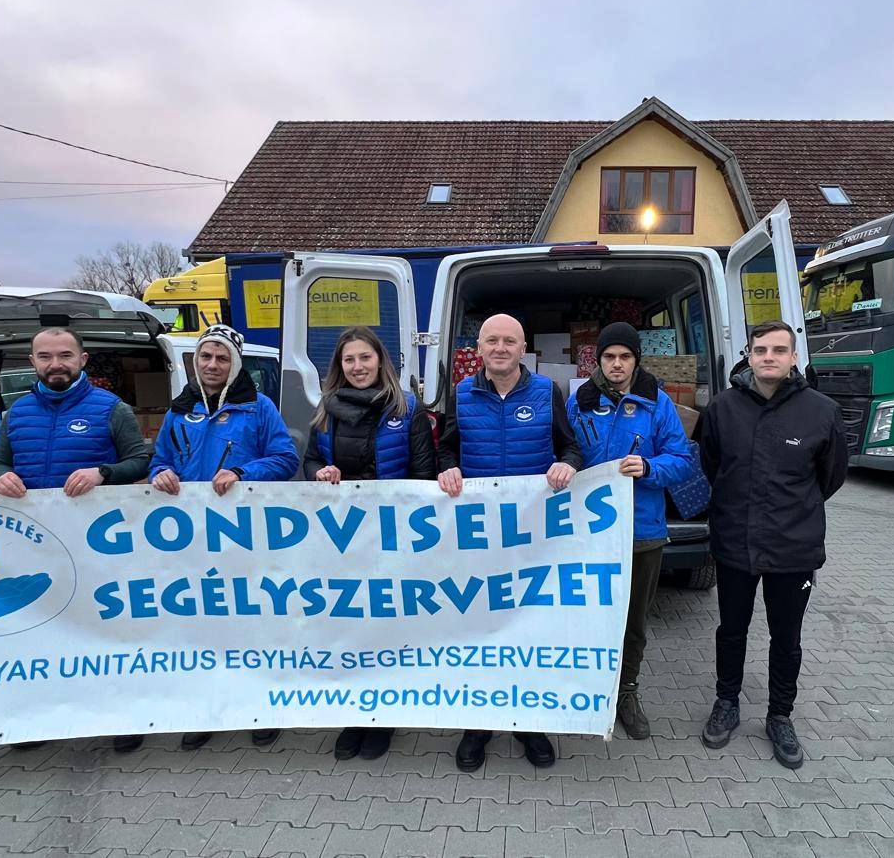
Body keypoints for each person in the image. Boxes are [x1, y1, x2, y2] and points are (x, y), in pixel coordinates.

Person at [0, 326, 154, 753]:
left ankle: (122, 716)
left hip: (96, 547)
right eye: (45, 356)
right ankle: (42, 718)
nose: (55, 364)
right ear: (33, 362)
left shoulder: (111, 409)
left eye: (65, 355)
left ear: (82, 359)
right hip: (34, 547)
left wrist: (103, 473)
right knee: (40, 631)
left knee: (105, 630)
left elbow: (140, 461)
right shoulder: (16, 413)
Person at [436, 313, 583, 771]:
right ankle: (478, 724)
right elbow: (446, 447)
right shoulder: (461, 393)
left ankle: (529, 722)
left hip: (531, 536)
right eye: (492, 341)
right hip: (478, 536)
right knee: (479, 628)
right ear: (479, 348)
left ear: (523, 349)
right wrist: (446, 466)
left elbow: (570, 446)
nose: (500, 348)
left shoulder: (546, 391)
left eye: (509, 341)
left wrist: (568, 464)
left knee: (528, 627)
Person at [697, 321, 847, 767]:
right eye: (760, 349)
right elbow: (711, 464)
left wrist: (793, 508)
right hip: (734, 541)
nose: (769, 357)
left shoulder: (821, 411)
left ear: (793, 357)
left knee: (787, 637)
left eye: (779, 350)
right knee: (731, 629)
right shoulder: (722, 408)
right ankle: (727, 702)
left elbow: (831, 476)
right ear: (748, 354)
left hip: (793, 546)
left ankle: (780, 715)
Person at [150, 324, 299, 750]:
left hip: (244, 536)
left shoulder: (259, 408)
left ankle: (263, 706)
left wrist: (242, 472)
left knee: (254, 623)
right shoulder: (178, 411)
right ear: (194, 361)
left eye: (221, 358)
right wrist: (161, 473)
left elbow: (286, 458)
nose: (212, 365)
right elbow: (161, 459)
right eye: (206, 356)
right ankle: (209, 708)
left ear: (235, 364)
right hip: (194, 539)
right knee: (204, 626)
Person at [303, 326, 437, 761]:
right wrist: (320, 473)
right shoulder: (326, 410)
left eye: (365, 357)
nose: (358, 366)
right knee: (351, 626)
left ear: (380, 361)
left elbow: (423, 473)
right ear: (339, 366)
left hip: (392, 537)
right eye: (349, 360)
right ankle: (355, 712)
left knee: (387, 625)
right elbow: (310, 460)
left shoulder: (407, 408)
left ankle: (384, 714)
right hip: (344, 539)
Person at [565, 322, 692, 740]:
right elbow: (562, 449)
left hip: (642, 531)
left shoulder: (658, 403)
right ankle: (587, 690)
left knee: (634, 621)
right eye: (609, 356)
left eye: (625, 356)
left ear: (636, 360)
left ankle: (626, 692)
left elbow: (682, 459)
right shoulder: (579, 401)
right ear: (598, 360)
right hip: (588, 532)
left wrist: (651, 467)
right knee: (586, 617)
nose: (616, 364)